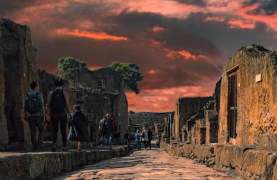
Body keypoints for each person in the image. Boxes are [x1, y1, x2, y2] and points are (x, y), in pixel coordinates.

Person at [46, 78, 73, 152]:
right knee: (63, 131)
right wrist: (71, 114)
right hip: (62, 114)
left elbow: (48, 105)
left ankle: (54, 144)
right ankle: (64, 146)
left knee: (55, 130)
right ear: (62, 85)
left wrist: (47, 115)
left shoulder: (51, 93)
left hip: (53, 114)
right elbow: (67, 104)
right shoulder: (64, 93)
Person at [24, 82, 46, 151]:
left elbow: (25, 107)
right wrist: (44, 115)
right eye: (38, 86)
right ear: (36, 86)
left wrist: (25, 115)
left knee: (32, 131)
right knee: (41, 129)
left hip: (30, 115)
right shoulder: (39, 95)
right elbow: (42, 106)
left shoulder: (27, 95)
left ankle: (34, 146)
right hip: (38, 115)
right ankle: (39, 145)